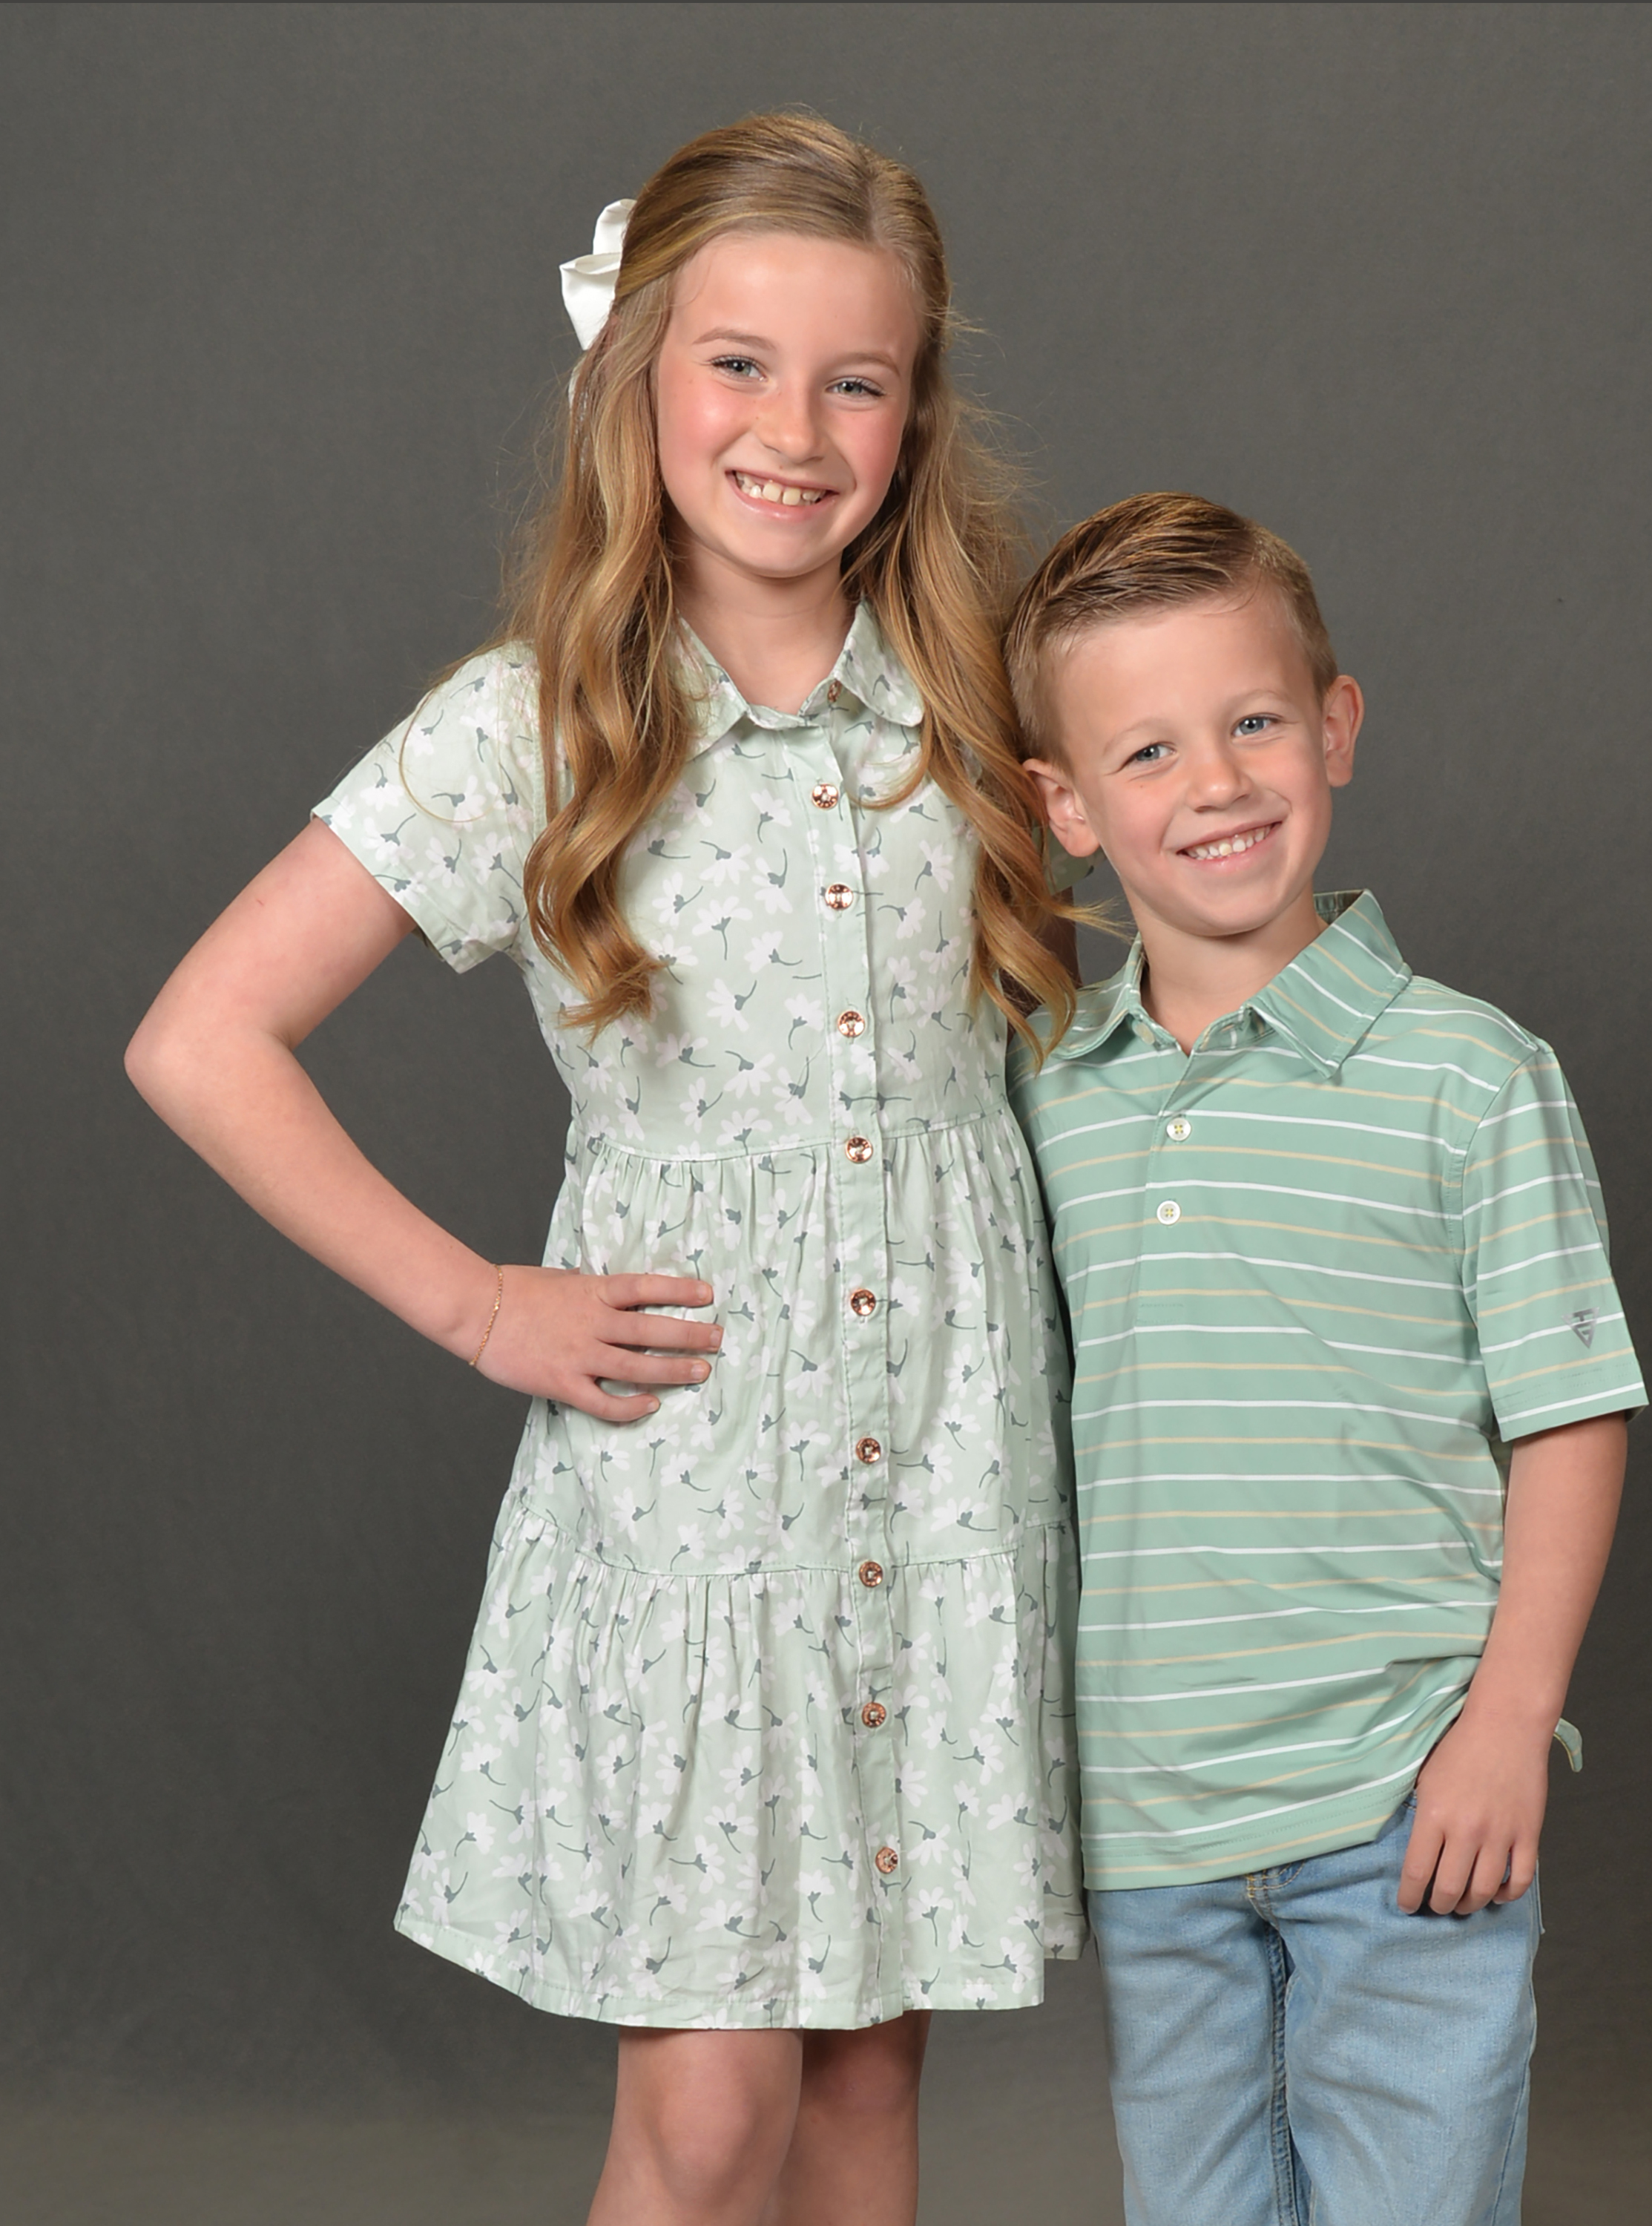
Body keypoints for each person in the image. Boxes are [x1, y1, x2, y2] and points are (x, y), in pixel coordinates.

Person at [125, 113, 1090, 2226]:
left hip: (939, 1477)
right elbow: (200, 1039)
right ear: (636, 378)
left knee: (866, 2088)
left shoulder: (981, 696)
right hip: (701, 1492)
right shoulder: (537, 723)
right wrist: (481, 1304)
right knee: (713, 2115)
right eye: (738, 365)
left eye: (855, 381)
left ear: (917, 414)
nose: (794, 431)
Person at [1004, 491, 1647, 2226]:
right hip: (1153, 1824)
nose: (1214, 783)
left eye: (1254, 723)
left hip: (1407, 1798)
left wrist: (1509, 1722)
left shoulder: (1471, 1078)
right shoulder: (1046, 1092)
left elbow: (1572, 1414)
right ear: (1067, 807)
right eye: (1146, 751)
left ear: (1336, 726)